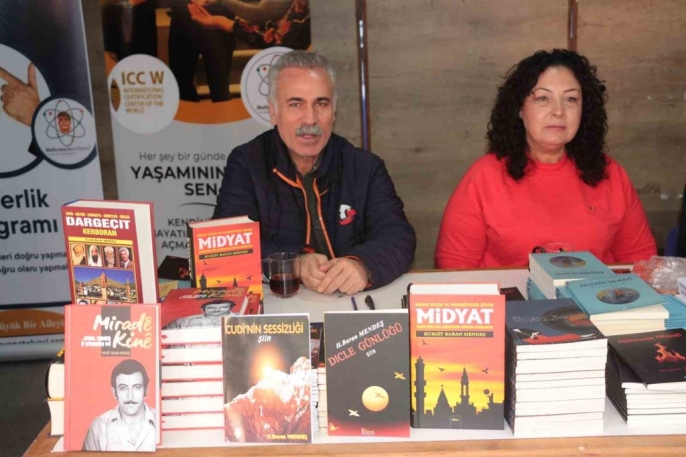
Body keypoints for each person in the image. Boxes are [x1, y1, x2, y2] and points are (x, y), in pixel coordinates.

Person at [213, 50, 416, 294]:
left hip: (351, 303)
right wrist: (294, 263)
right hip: (283, 305)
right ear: (273, 112)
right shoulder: (247, 163)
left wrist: (363, 265)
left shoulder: (364, 166)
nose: (310, 119)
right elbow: (226, 244)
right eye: (295, 104)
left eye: (321, 103)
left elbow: (398, 235)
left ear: (334, 112)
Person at [435, 49, 656, 269]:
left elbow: (640, 259)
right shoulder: (484, 177)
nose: (558, 111)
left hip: (598, 291)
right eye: (543, 98)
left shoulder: (610, 174)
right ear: (520, 109)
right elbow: (454, 267)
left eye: (570, 99)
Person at [82, 359, 156, 451]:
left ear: (145, 390)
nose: (130, 396)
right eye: (123, 388)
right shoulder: (98, 427)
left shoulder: (159, 421)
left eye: (137, 387)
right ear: (114, 392)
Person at [163, 299, 237, 329]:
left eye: (223, 307)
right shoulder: (183, 321)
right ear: (202, 309)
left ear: (231, 308)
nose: (217, 310)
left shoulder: (241, 320)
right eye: (211, 308)